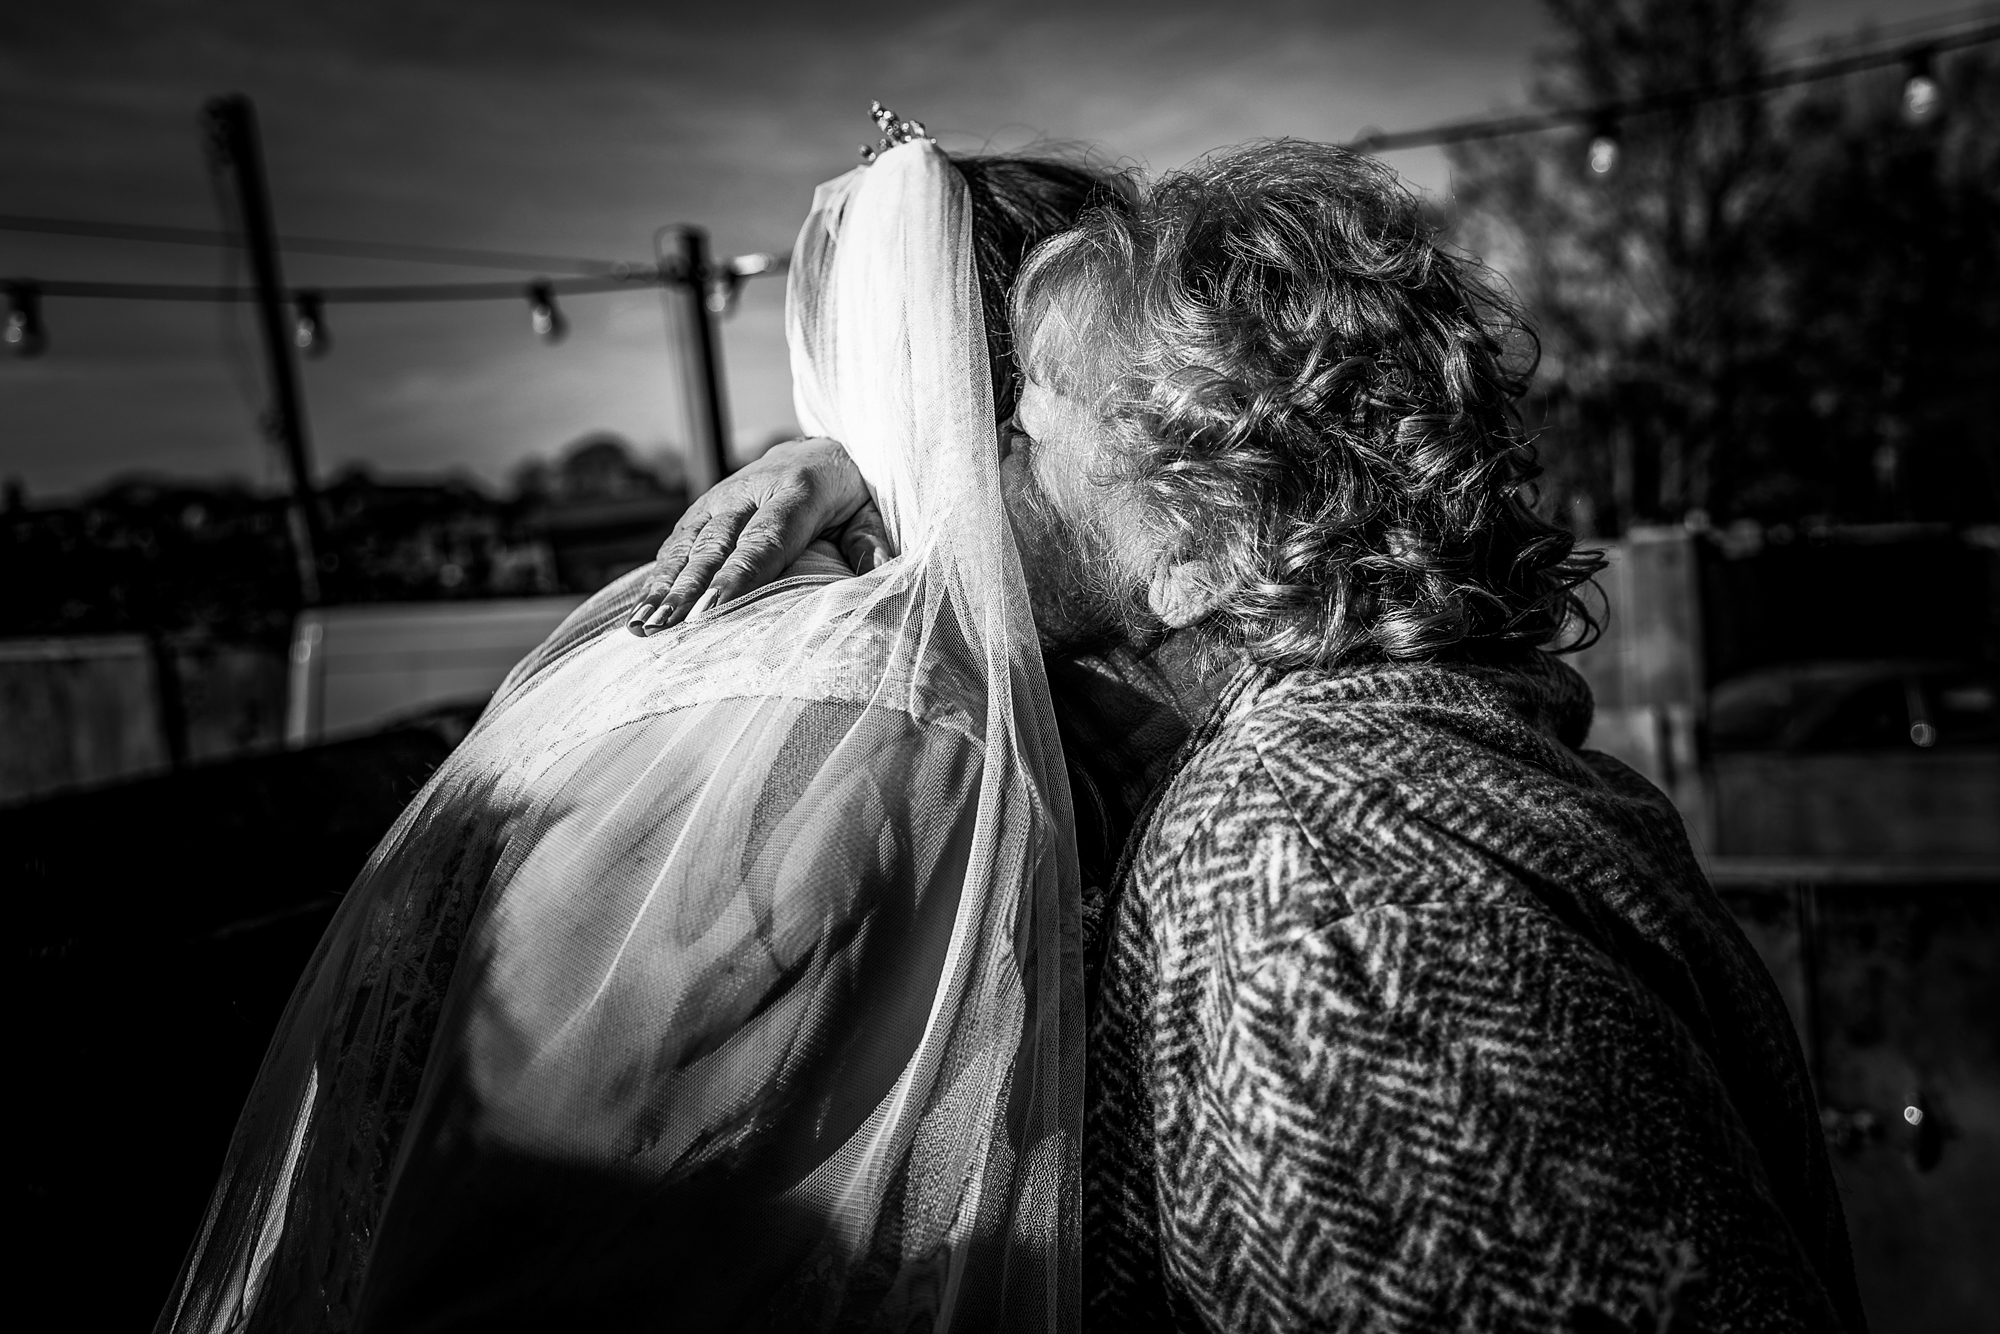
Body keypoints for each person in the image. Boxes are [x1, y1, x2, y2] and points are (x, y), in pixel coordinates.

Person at [658, 140, 1866, 1332]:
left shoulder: (1318, 874)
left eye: (1020, 434)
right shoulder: (1416, 763)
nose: (974, 475)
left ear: (1205, 543)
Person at [158, 122, 1133, 1334]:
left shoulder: (816, 644)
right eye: (1130, 392)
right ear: (1009, 407)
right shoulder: (873, 731)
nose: (1168, 444)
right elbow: (542, 1269)